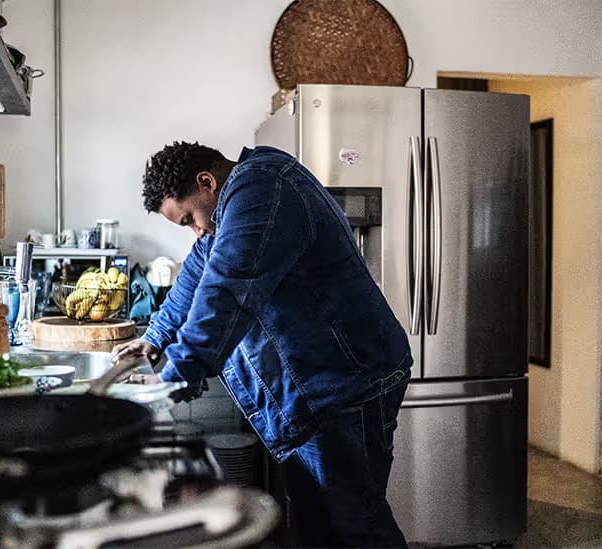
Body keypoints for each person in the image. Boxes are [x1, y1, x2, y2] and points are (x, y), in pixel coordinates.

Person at [112, 141, 412, 547]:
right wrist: (155, 336)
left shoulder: (261, 188)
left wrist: (178, 372)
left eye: (188, 219)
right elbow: (199, 270)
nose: (196, 231)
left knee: (355, 526)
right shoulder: (233, 204)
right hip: (318, 391)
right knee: (318, 524)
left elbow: (228, 287)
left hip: (345, 386)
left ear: (207, 181)